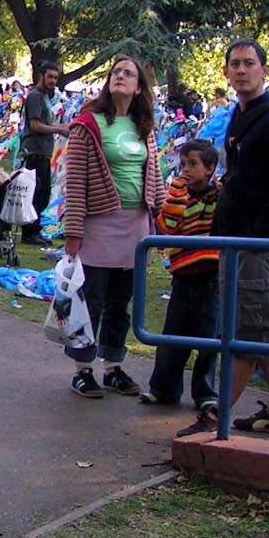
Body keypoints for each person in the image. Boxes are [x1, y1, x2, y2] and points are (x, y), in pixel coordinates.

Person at [63, 55, 164, 399]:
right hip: (98, 225)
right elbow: (74, 183)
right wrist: (73, 232)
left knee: (121, 301)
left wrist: (163, 222)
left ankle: (113, 367)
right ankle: (82, 369)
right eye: (115, 72)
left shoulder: (143, 126)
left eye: (128, 73)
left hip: (136, 226)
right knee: (91, 300)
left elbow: (156, 177)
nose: (119, 76)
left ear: (139, 88)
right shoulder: (87, 124)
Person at [211, 39, 269, 435]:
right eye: (234, 64)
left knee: (247, 331)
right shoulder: (240, 117)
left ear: (264, 70)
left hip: (261, 245)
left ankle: (217, 417)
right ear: (226, 72)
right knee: (260, 328)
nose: (241, 70)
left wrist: (259, 236)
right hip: (236, 241)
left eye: (249, 63)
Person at [144, 139, 220, 419]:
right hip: (183, 275)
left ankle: (206, 394)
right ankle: (164, 388)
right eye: (183, 164)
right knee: (173, 335)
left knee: (209, 340)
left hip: (211, 277)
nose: (186, 170)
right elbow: (168, 226)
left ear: (210, 168)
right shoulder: (177, 194)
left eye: (193, 164)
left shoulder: (218, 195)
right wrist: (177, 190)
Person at [20, 60, 71, 246]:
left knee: (42, 194)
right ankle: (29, 232)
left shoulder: (45, 97)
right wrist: (58, 129)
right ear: (41, 75)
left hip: (44, 153)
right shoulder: (35, 97)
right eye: (49, 76)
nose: (53, 81)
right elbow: (35, 125)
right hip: (35, 151)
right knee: (36, 194)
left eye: (56, 78)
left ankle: (35, 229)